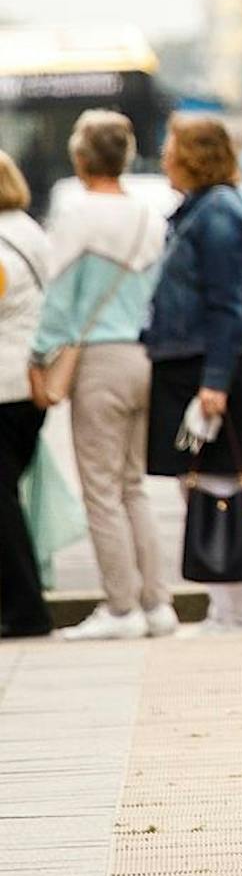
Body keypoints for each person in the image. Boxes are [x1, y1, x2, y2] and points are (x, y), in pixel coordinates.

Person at [29, 111, 169, 642]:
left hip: (101, 363)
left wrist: (40, 355)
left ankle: (121, 606)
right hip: (144, 356)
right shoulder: (148, 217)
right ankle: (157, 604)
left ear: (82, 157)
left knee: (102, 490)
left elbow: (59, 300)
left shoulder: (78, 216)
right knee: (133, 486)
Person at [142, 115, 242, 631]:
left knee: (219, 482)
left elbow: (227, 305)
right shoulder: (203, 211)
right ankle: (233, 603)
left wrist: (215, 381)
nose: (164, 159)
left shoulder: (215, 216)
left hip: (214, 362)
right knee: (210, 481)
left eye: (171, 149)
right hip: (199, 359)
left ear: (193, 157)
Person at [0, 152, 54, 638]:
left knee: (2, 502)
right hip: (27, 383)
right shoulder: (30, 230)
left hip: (5, 387)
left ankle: (25, 609)